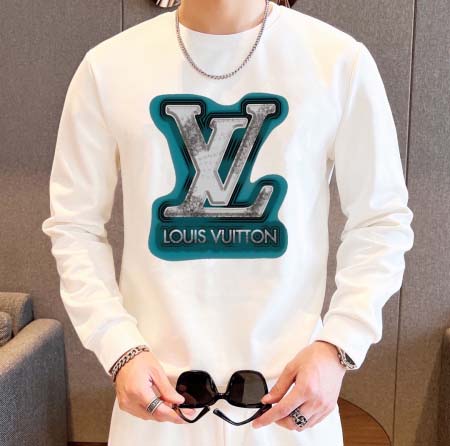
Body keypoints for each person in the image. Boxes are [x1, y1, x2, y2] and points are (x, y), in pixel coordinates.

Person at [41, 0, 415, 445]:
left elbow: (381, 219)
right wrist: (118, 347)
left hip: (288, 403)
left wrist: (338, 346)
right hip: (158, 402)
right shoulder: (108, 68)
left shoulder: (338, 62)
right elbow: (75, 225)